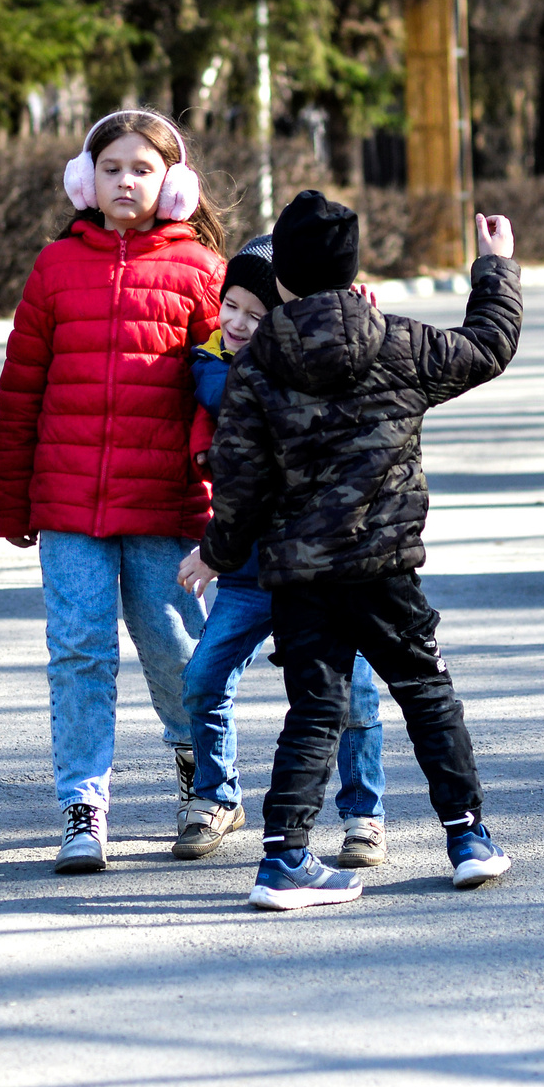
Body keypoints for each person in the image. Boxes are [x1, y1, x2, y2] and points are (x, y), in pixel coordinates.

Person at [180, 192, 524, 910]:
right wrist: (496, 265)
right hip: (384, 568)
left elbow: (238, 480)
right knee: (428, 694)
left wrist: (216, 552)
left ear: (280, 281)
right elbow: (489, 345)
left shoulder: (255, 366)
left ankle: (283, 861)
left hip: (301, 576)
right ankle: (467, 838)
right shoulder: (399, 342)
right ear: (352, 268)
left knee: (314, 708)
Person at [0, 108, 226, 874]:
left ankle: (206, 780)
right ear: (84, 179)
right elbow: (21, 390)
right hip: (67, 506)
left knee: (174, 648)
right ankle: (83, 805)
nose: (126, 180)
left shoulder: (198, 270)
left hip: (167, 502)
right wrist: (13, 499)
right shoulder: (55, 266)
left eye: (143, 168)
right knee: (78, 649)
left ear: (173, 186)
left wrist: (220, 495)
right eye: (112, 166)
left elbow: (225, 393)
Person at [174, 233, 389, 869]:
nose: (237, 323)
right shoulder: (211, 365)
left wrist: (350, 327)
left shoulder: (326, 362)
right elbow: (219, 388)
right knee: (204, 678)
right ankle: (215, 796)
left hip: (323, 569)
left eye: (256, 313)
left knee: (355, 692)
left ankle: (364, 815)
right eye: (229, 306)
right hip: (244, 570)